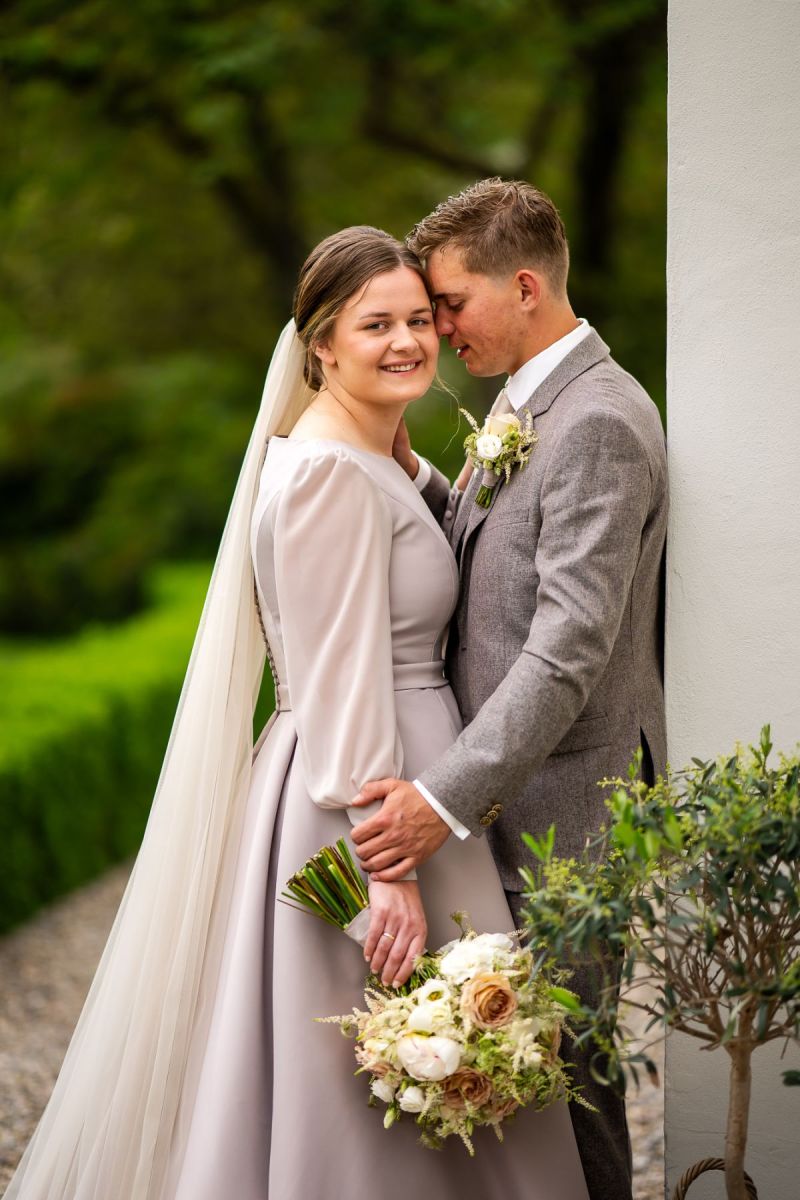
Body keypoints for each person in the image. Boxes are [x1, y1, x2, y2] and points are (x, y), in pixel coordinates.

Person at [4, 226, 589, 1200]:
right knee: (374, 1070)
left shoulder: (373, 451)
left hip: (403, 777)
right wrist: (383, 874)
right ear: (320, 345)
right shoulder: (324, 474)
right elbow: (338, 681)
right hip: (362, 797)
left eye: (417, 320)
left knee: (441, 1061)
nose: (405, 341)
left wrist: (403, 446)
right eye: (375, 325)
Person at [350, 179, 668, 1200]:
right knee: (519, 1083)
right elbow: (505, 563)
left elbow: (566, 649)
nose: (436, 328)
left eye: (448, 303)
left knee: (563, 1087)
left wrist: (442, 798)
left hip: (562, 809)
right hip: (521, 801)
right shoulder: (534, 402)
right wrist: (418, 480)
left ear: (523, 285)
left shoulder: (595, 423)